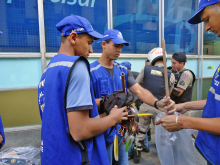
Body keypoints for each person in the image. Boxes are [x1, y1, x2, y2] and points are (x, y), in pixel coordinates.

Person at [38, 15, 128, 165]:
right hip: (75, 157)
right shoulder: (77, 66)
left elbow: (61, 110)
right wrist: (114, 118)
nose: (91, 50)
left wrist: (104, 102)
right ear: (73, 37)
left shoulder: (50, 68)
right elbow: (80, 130)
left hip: (53, 155)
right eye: (89, 43)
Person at [90, 29, 175, 165]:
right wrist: (106, 106)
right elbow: (86, 104)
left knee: (123, 162)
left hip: (122, 131)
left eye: (121, 47)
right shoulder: (90, 71)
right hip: (101, 132)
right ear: (103, 44)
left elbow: (139, 91)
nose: (119, 50)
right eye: (116, 46)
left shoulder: (123, 70)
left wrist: (157, 103)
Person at [156, 1, 220, 165]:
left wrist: (182, 121)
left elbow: (178, 92)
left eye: (207, 19)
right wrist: (184, 106)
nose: (206, 28)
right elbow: (216, 101)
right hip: (211, 149)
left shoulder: (186, 75)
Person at [133, 48, 175, 163]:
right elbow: (169, 93)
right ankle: (163, 157)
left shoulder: (145, 69)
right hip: (161, 109)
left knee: (141, 131)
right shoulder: (170, 74)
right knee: (162, 134)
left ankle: (137, 155)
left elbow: (136, 84)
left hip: (145, 107)